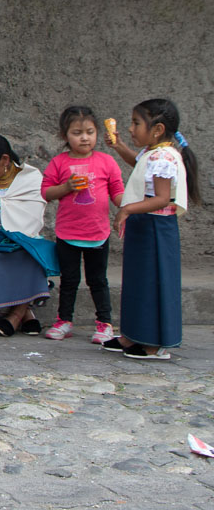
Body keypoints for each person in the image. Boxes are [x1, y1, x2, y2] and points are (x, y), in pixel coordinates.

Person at [102, 99, 201, 360]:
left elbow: (161, 198)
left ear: (156, 129)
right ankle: (132, 335)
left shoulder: (163, 157)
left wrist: (127, 209)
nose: (131, 129)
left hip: (156, 228)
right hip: (144, 226)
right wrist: (119, 146)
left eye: (136, 123)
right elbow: (140, 166)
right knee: (137, 282)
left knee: (153, 283)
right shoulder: (153, 153)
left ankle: (154, 343)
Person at [40, 106, 124, 343]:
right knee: (69, 280)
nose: (84, 137)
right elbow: (46, 192)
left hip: (98, 233)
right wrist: (66, 188)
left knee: (98, 280)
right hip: (68, 233)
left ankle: (104, 323)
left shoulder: (106, 162)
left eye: (89, 131)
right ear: (65, 135)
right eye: (77, 132)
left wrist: (127, 208)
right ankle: (64, 321)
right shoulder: (59, 163)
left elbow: (117, 191)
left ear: (97, 133)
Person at [0, 132, 56, 337]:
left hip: (22, 240)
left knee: (32, 257)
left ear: (5, 160)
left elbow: (31, 220)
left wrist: (13, 238)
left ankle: (14, 317)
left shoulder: (31, 179)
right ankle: (25, 313)